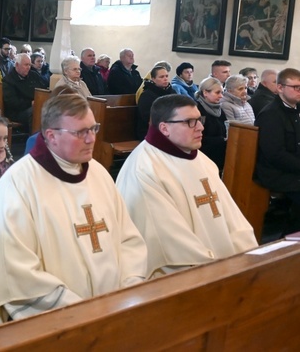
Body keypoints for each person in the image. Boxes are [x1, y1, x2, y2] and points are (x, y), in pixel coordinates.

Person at [0, 92, 147, 321]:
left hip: (116, 311)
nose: (91, 139)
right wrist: (85, 314)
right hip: (62, 324)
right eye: (81, 132)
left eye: (93, 128)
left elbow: (128, 239)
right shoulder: (16, 186)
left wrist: (127, 291)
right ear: (51, 135)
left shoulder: (98, 173)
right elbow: (17, 271)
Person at [116, 95, 257, 277]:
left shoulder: (201, 160)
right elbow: (170, 240)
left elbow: (231, 216)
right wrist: (216, 270)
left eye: (199, 119)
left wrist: (248, 255)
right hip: (187, 277)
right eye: (190, 122)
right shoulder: (144, 170)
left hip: (226, 268)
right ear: (164, 128)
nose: (200, 127)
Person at [255, 68, 300, 208]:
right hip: (277, 174)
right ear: (280, 88)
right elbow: (275, 154)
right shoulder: (271, 114)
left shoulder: (296, 109)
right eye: (295, 87)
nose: (299, 91)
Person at [3, 53, 46, 130]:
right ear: (17, 65)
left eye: (29, 65)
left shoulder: (33, 75)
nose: (28, 68)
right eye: (26, 65)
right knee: (35, 111)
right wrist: (30, 103)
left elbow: (43, 89)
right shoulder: (8, 80)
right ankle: (33, 139)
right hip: (18, 113)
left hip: (36, 105)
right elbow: (12, 102)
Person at [195, 77, 227, 170]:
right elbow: (199, 136)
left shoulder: (220, 110)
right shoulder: (197, 110)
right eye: (217, 92)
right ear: (205, 93)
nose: (221, 96)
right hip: (204, 156)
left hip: (219, 155)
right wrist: (222, 140)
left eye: (222, 92)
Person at [136, 65, 176, 139]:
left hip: (170, 127)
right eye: (161, 77)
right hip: (150, 130)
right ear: (153, 79)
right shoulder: (147, 95)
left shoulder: (172, 92)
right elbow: (147, 117)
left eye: (166, 76)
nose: (165, 79)